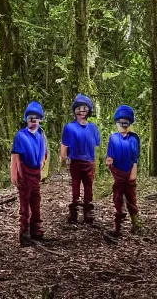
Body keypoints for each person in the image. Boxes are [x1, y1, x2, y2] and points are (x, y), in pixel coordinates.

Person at [11, 100, 48, 246]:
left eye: (36, 117)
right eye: (30, 117)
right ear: (26, 119)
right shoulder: (21, 136)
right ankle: (23, 233)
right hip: (24, 172)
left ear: (40, 119)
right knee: (24, 204)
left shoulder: (40, 136)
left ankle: (36, 231)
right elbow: (16, 157)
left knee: (36, 202)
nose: (33, 119)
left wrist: (41, 168)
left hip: (35, 173)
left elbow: (43, 154)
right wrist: (17, 174)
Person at [60, 93, 101, 225]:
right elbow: (64, 144)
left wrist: (97, 161)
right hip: (75, 161)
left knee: (88, 186)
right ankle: (74, 212)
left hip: (89, 161)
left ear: (89, 110)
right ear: (75, 110)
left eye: (84, 108)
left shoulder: (93, 128)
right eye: (79, 108)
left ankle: (88, 211)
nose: (82, 110)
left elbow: (97, 145)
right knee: (76, 185)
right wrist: (64, 157)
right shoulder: (69, 127)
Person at [105, 104, 141, 236]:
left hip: (129, 172)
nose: (123, 125)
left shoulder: (134, 138)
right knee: (117, 199)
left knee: (131, 198)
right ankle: (117, 227)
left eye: (126, 123)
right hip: (118, 174)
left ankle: (135, 223)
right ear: (117, 123)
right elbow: (110, 156)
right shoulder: (113, 138)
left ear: (130, 123)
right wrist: (109, 163)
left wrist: (134, 172)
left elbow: (135, 157)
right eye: (121, 123)